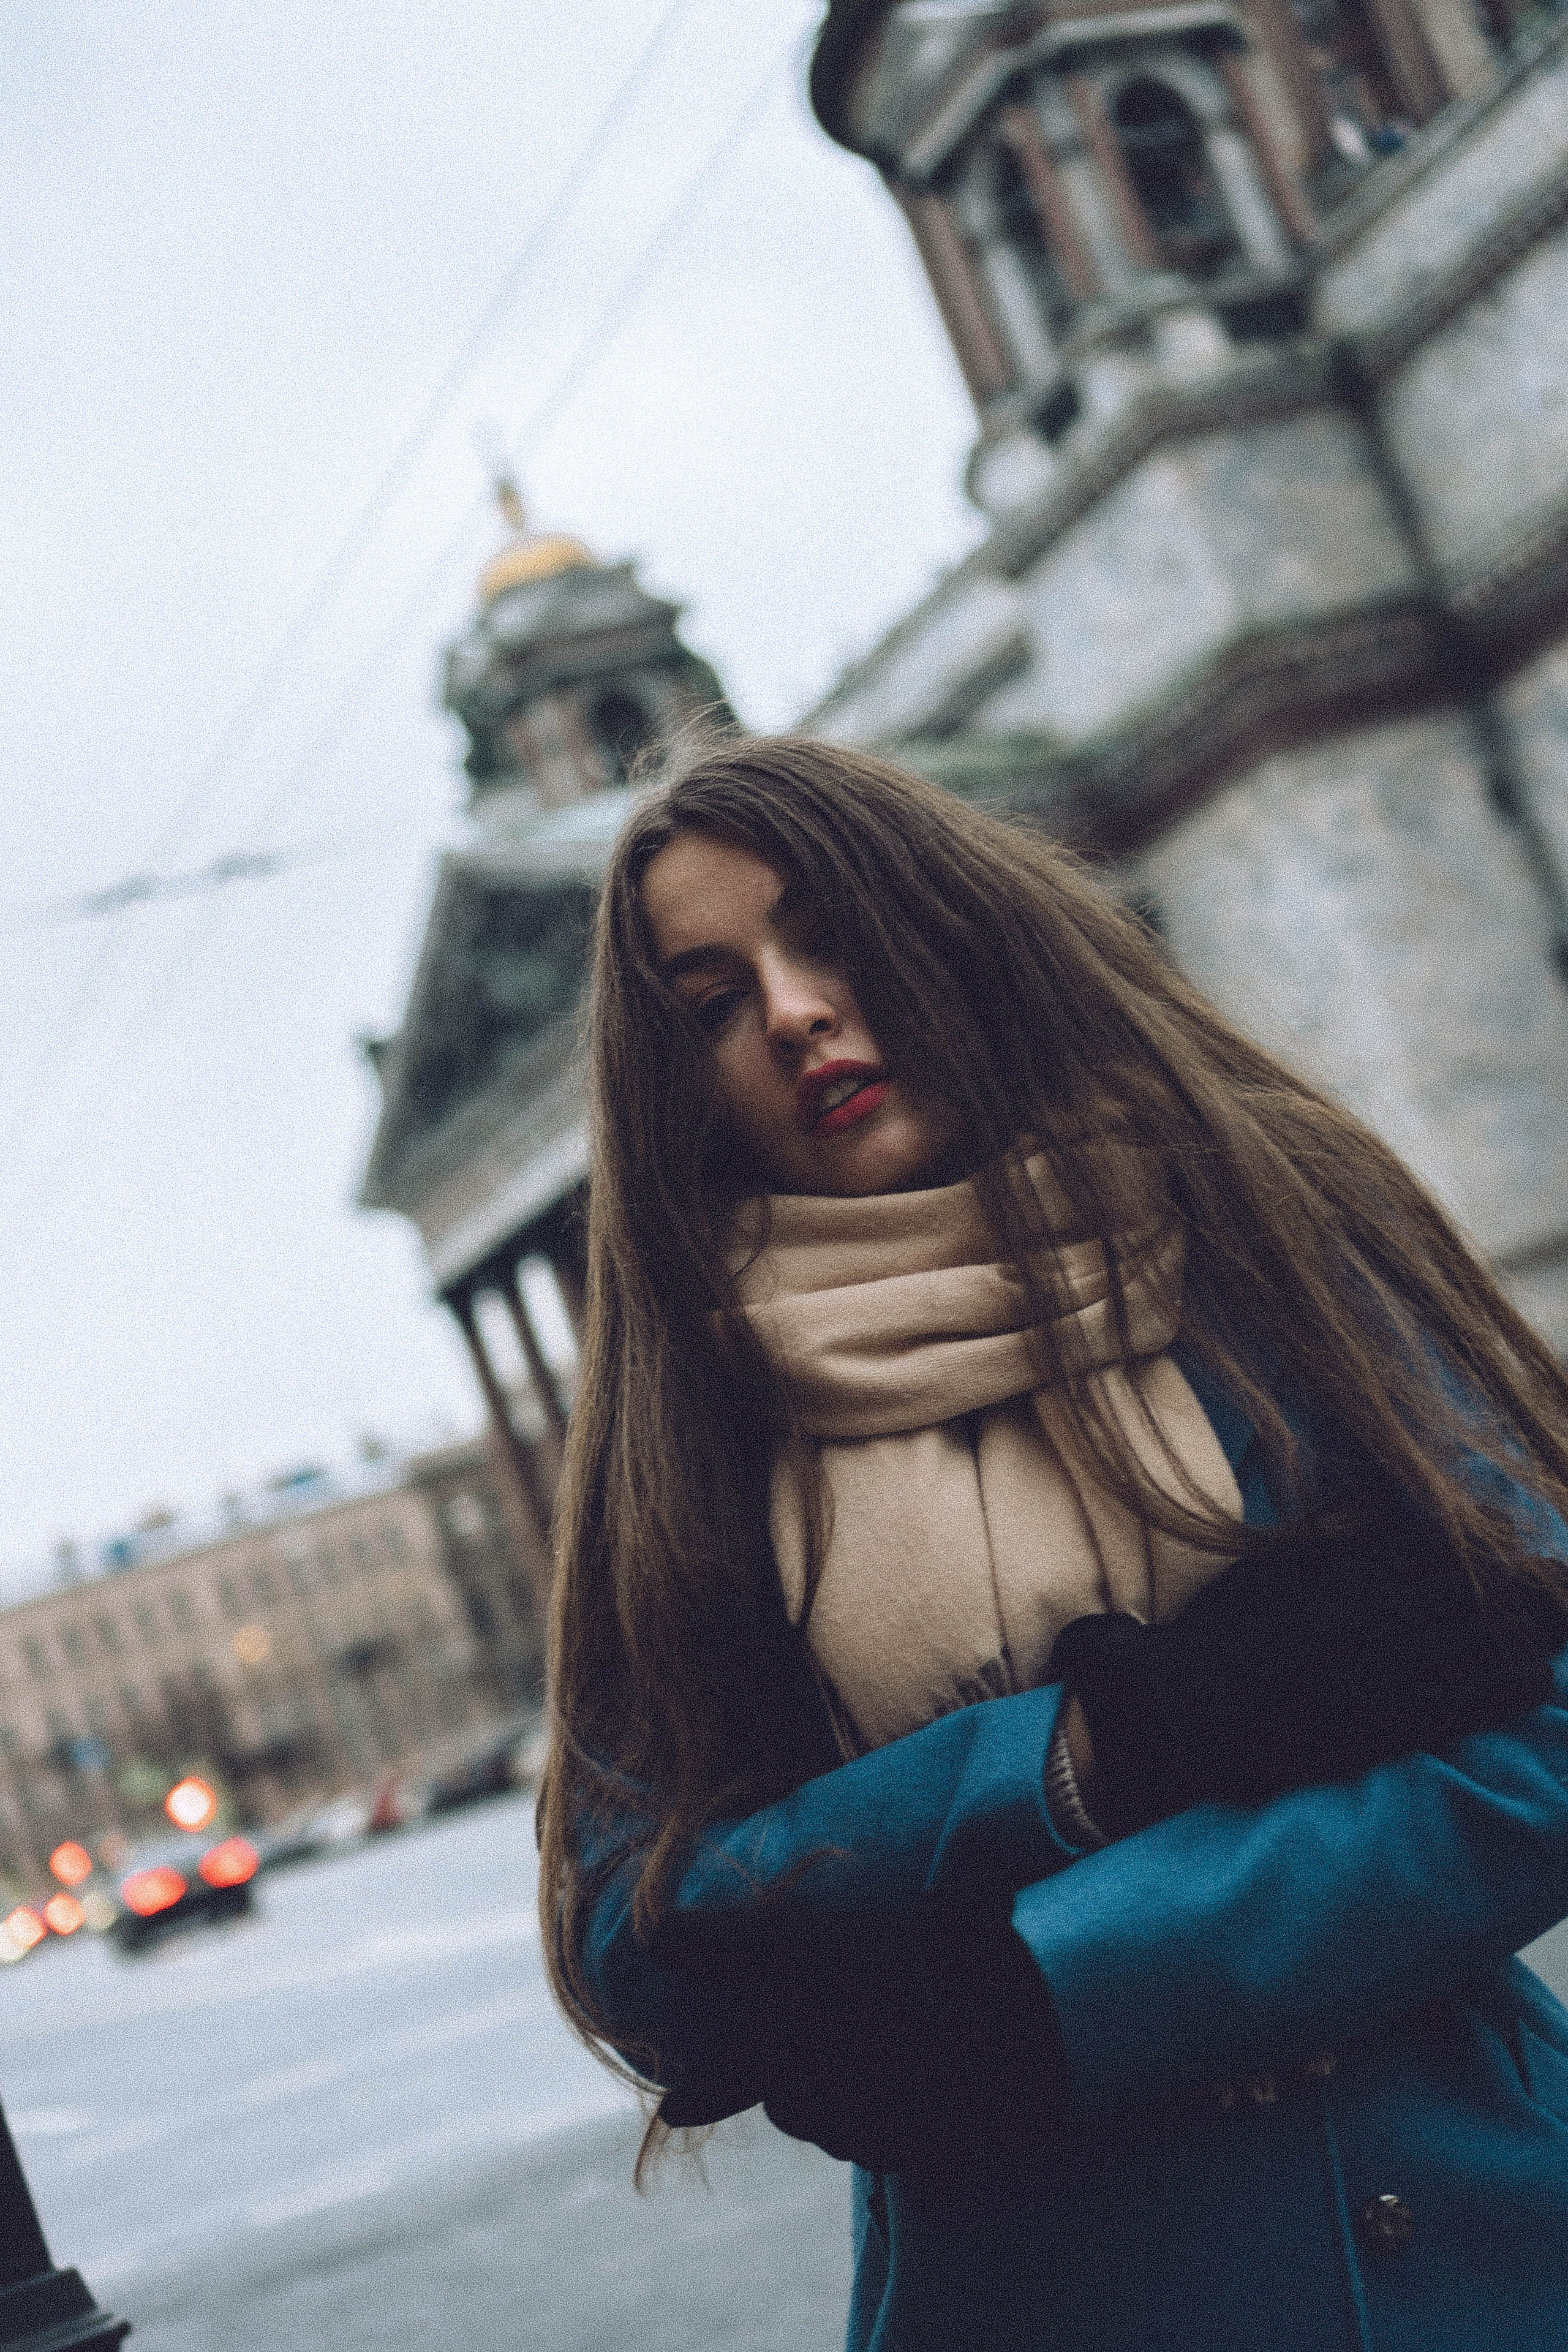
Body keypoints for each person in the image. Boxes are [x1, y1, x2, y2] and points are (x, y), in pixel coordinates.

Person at [537, 735, 1568, 2351]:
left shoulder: (1260, 1224)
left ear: (949, 924)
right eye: (713, 998)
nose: (796, 1010)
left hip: (1441, 2238)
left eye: (828, 932)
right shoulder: (697, 1410)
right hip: (1030, 2281)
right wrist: (1097, 1752)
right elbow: (635, 1930)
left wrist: (1058, 1992)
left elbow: (1542, 1730)